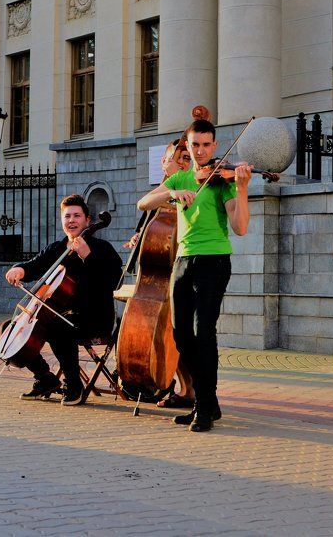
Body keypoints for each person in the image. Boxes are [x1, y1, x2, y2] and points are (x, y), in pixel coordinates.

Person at [136, 118, 258, 432]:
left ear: (214, 146)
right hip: (183, 261)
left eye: (206, 145)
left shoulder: (224, 182)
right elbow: (143, 202)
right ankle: (209, 400)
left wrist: (242, 188)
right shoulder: (179, 180)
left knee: (204, 332)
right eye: (195, 145)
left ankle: (204, 406)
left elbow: (240, 227)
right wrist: (172, 195)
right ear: (187, 147)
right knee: (180, 336)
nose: (201, 151)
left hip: (214, 261)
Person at [4, 194, 123, 405]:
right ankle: (45, 378)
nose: (72, 220)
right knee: (10, 329)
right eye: (67, 216)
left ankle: (74, 385)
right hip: (62, 316)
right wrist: (19, 269)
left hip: (95, 318)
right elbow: (35, 265)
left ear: (87, 220)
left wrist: (88, 257)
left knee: (57, 327)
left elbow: (114, 281)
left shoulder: (102, 248)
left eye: (77, 215)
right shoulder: (57, 249)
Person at [122, 139, 196, 409]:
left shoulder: (189, 189)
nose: (185, 163)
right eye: (179, 158)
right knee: (169, 336)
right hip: (154, 281)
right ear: (164, 164)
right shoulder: (161, 195)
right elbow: (152, 226)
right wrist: (139, 238)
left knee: (180, 336)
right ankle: (180, 387)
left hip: (180, 277)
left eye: (187, 159)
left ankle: (190, 390)